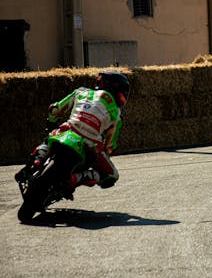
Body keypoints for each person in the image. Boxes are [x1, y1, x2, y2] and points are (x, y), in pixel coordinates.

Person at [15, 71, 130, 199]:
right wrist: (107, 150)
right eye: (122, 90)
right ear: (114, 88)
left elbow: (55, 109)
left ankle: (34, 163)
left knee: (50, 139)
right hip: (91, 143)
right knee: (112, 175)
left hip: (68, 130)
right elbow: (110, 143)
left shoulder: (81, 92)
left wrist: (51, 122)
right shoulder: (117, 113)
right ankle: (75, 179)